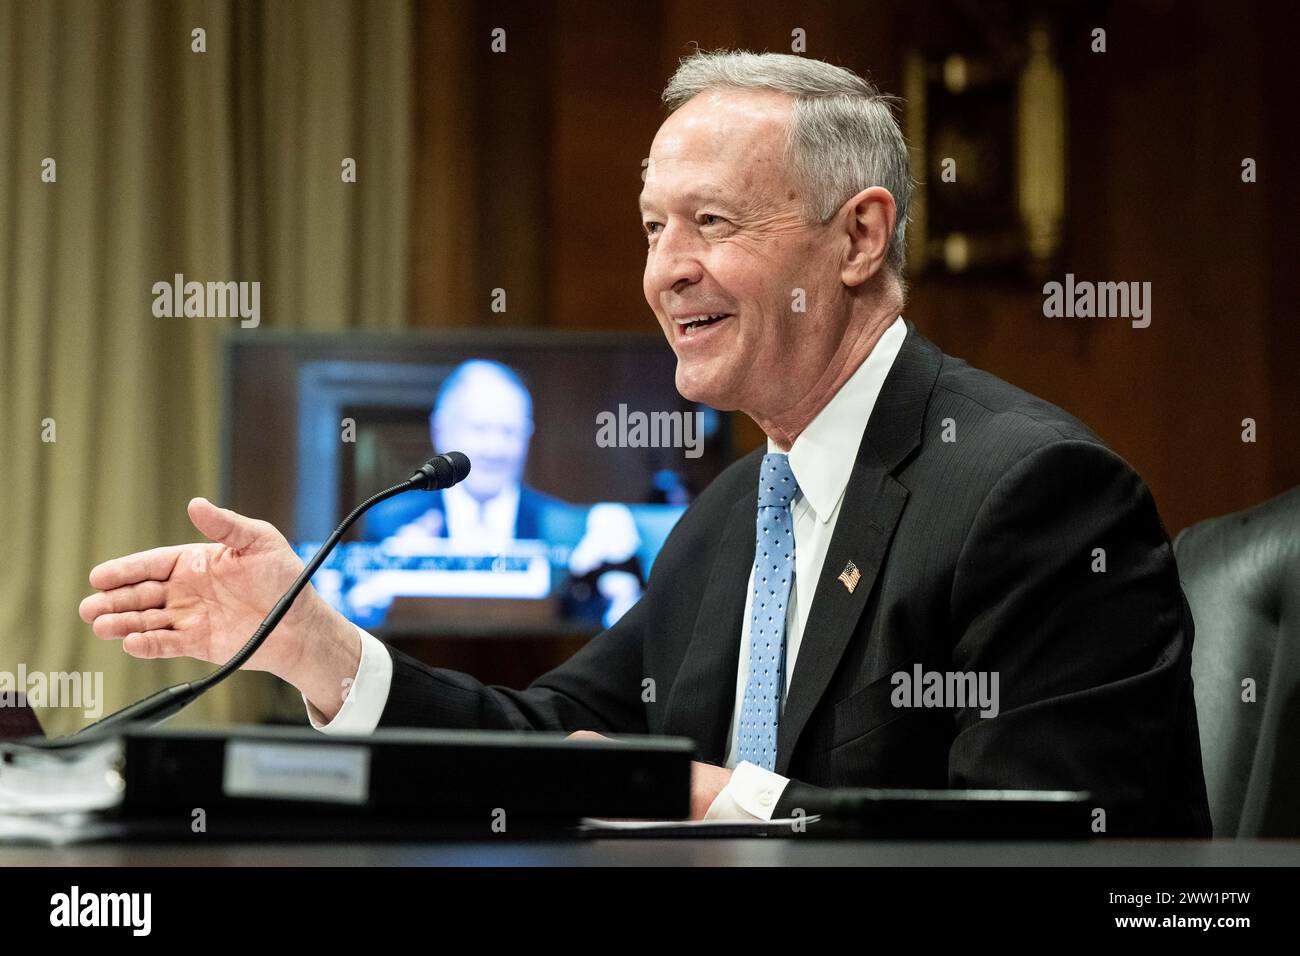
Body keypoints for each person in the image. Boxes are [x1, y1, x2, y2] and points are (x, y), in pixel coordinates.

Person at [78, 50, 1211, 832]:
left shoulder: (1033, 495)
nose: (665, 268)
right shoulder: (730, 515)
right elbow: (559, 736)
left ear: (859, 236)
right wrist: (318, 643)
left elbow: (1054, 858)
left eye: (711, 222)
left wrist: (715, 800)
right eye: (653, 227)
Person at [362, 359, 561, 547]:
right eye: (479, 429)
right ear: (441, 432)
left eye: (509, 431)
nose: (494, 449)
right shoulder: (392, 523)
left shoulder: (559, 527)